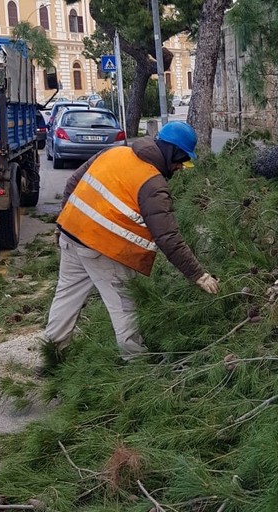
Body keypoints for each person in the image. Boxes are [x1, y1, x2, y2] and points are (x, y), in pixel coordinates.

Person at [40, 121, 220, 371]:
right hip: (103, 249)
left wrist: (63, 223)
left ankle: (52, 354)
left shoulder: (114, 152)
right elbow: (168, 236)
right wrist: (197, 274)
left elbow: (73, 183)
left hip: (72, 235)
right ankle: (136, 365)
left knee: (67, 295)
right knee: (124, 306)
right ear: (172, 153)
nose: (180, 168)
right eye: (182, 161)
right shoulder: (152, 183)